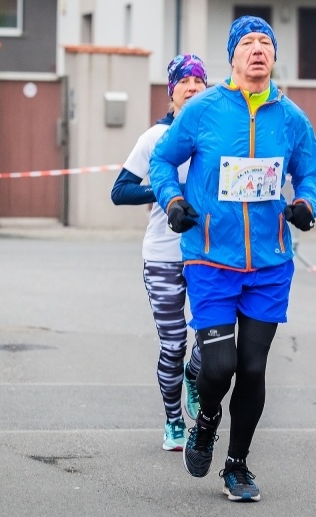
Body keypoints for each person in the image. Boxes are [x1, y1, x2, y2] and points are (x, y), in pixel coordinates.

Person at [148, 15, 316, 502]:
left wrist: (307, 204)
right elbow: (162, 160)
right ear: (232, 56)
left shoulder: (291, 118)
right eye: (247, 42)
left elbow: (310, 174)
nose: (257, 48)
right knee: (219, 367)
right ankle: (206, 419)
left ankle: (237, 465)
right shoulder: (202, 109)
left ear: (274, 55)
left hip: (269, 264)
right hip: (210, 257)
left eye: (266, 41)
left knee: (251, 368)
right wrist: (173, 200)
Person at [110, 54, 207, 452]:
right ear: (172, 91)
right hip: (163, 255)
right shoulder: (154, 138)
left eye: (198, 81)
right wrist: (167, 193)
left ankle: (193, 376)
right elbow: (120, 191)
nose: (192, 87)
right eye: (184, 81)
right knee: (173, 343)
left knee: (211, 339)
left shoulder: (216, 134)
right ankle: (173, 421)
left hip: (207, 253)